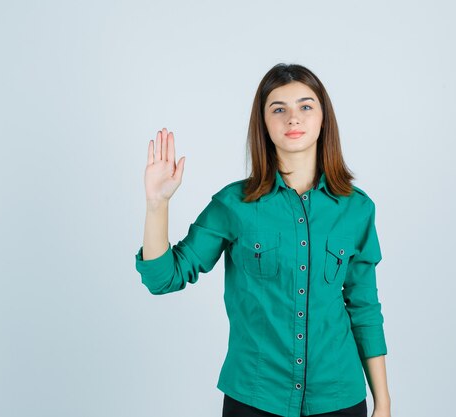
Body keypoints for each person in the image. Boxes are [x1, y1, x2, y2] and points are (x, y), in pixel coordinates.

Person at [134, 63, 391, 417]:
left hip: (339, 397)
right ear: (264, 123)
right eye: (278, 109)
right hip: (254, 397)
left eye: (305, 106)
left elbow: (364, 307)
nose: (293, 119)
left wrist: (384, 402)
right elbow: (164, 278)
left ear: (323, 119)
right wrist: (157, 204)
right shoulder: (234, 205)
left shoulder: (357, 209)